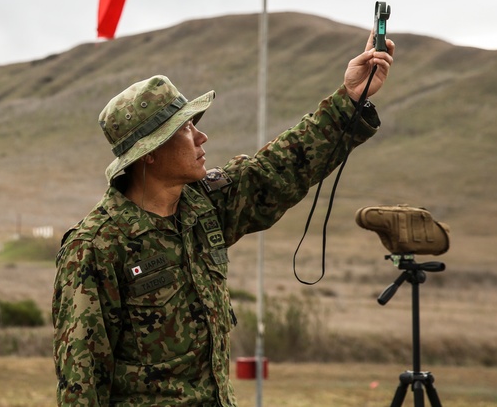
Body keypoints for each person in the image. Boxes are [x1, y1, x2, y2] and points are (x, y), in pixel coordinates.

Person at [52, 34, 395, 407]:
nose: (201, 136)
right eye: (185, 128)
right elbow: (81, 383)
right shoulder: (97, 246)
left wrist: (349, 100)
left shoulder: (206, 206)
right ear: (149, 153)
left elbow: (282, 166)